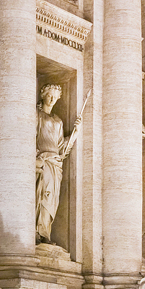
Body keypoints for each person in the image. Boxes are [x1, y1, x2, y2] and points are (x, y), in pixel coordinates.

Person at [35, 84, 83, 245]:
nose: (52, 99)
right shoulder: (37, 115)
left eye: (55, 97)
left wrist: (75, 133)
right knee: (42, 195)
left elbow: (61, 147)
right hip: (43, 160)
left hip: (55, 163)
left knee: (51, 199)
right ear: (43, 95)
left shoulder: (58, 121)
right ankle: (37, 231)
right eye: (50, 95)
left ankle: (45, 232)